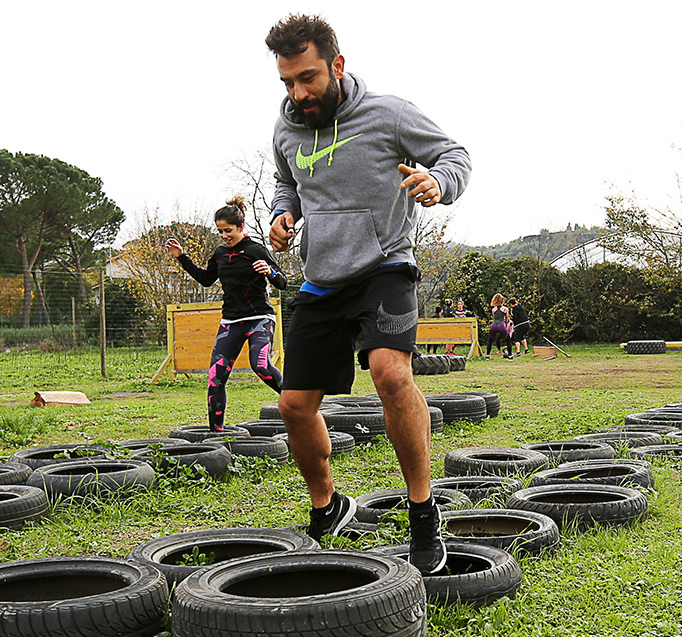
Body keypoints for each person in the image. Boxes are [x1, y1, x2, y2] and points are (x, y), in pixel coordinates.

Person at [263, 14, 470, 574]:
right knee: (293, 405)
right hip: (320, 278)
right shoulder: (286, 127)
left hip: (385, 266)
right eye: (287, 82)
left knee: (391, 374)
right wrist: (284, 215)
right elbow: (289, 184)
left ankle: (423, 512)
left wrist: (438, 182)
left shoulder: (388, 114)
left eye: (307, 78)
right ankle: (328, 506)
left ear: (337, 64)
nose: (298, 93)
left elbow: (455, 156)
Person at [168, 197, 287, 431]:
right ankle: (216, 434)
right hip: (231, 321)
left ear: (241, 227)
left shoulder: (256, 249)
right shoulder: (220, 253)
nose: (224, 236)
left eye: (228, 231)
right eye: (220, 231)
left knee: (261, 366)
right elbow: (205, 279)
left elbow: (282, 281)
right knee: (215, 377)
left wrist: (270, 271)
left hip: (259, 319)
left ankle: (298, 402)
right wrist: (181, 257)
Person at [486, 294, 514, 359]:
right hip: (501, 324)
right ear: (502, 301)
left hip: (494, 324)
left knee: (490, 340)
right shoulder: (505, 309)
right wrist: (506, 327)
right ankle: (510, 356)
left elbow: (494, 317)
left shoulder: (493, 309)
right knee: (508, 340)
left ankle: (487, 356)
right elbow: (506, 319)